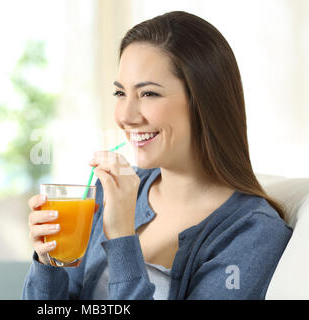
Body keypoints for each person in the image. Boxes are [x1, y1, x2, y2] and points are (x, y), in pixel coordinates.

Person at [21, 11, 293, 300]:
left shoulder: (252, 234)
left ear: (203, 102)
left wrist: (123, 238)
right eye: (120, 93)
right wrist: (49, 262)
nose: (125, 116)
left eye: (148, 94)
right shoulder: (108, 193)